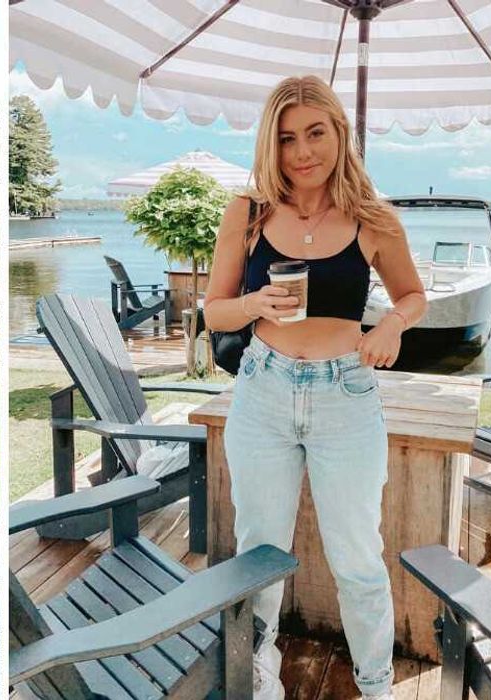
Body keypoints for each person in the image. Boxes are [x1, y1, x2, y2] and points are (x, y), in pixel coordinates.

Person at [203, 75, 426, 700]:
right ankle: (260, 682)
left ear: (340, 133)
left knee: (357, 559)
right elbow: (213, 312)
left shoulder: (373, 218)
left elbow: (413, 295)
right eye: (287, 138)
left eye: (315, 133)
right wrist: (254, 302)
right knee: (260, 556)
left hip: (346, 396)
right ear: (269, 146)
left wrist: (391, 325)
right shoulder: (245, 214)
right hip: (263, 391)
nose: (302, 152)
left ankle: (376, 686)